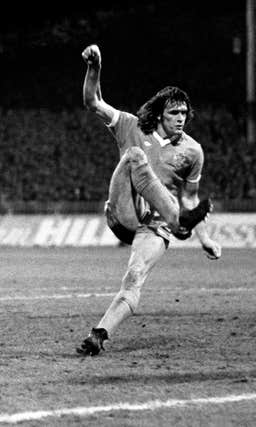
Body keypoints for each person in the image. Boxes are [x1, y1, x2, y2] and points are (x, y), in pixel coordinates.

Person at [76, 44, 221, 356]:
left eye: (184, 113)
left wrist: (205, 239)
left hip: (154, 228)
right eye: (174, 113)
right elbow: (93, 101)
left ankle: (99, 334)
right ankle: (177, 219)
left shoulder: (193, 151)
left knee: (135, 276)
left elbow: (192, 197)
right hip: (123, 212)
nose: (181, 118)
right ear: (160, 113)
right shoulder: (130, 125)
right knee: (134, 156)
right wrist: (95, 66)